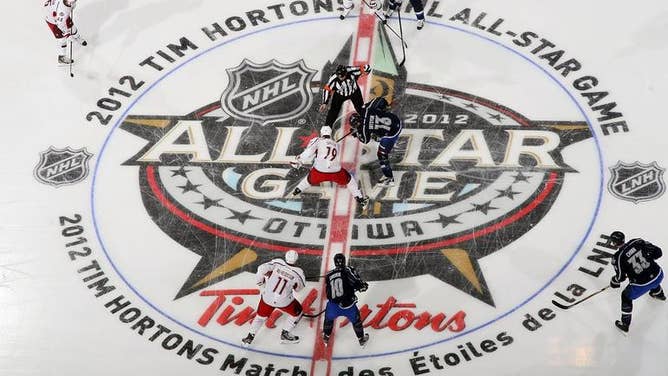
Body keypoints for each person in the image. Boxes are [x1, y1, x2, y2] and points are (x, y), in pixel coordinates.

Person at [290, 126, 370, 210]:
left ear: (321, 133)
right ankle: (361, 200)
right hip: (335, 171)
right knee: (350, 180)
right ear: (330, 133)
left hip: (319, 172)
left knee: (308, 179)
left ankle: (296, 191)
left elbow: (309, 152)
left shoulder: (317, 140)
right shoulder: (335, 144)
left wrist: (299, 161)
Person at [242, 250, 306, 345]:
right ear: (296, 259)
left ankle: (249, 337)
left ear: (286, 256)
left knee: (260, 317)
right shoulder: (299, 273)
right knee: (298, 312)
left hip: (267, 297)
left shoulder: (278, 262)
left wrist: (261, 282)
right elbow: (298, 289)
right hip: (284, 301)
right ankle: (285, 334)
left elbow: (261, 268)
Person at [609, 231, 665, 333]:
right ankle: (659, 294)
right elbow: (658, 252)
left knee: (625, 296)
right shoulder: (637, 242)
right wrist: (648, 260)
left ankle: (625, 324)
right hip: (659, 274)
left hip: (642, 284)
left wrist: (614, 281)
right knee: (651, 277)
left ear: (614, 243)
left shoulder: (618, 257)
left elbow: (620, 278)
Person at [349, 96, 402, 187]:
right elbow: (380, 100)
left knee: (381, 155)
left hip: (392, 133)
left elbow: (365, 140)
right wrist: (384, 107)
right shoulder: (366, 110)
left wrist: (357, 133)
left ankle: (389, 178)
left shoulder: (363, 130)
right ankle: (382, 133)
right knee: (376, 129)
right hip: (395, 119)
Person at [322, 253, 370, 347]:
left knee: (328, 319)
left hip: (333, 306)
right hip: (348, 306)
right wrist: (363, 286)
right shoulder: (347, 269)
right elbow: (356, 282)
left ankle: (326, 337)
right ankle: (361, 339)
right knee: (357, 322)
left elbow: (328, 292)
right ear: (344, 261)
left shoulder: (328, 275)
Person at [320, 64, 371, 129]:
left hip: (354, 92)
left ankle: (367, 121)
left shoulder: (352, 71)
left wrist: (366, 71)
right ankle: (326, 130)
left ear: (346, 73)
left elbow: (364, 68)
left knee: (360, 108)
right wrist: (325, 102)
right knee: (333, 112)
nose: (341, 78)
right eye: (339, 76)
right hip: (339, 95)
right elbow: (327, 89)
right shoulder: (333, 78)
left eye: (343, 76)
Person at [44, 0, 87, 64]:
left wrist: (72, 6)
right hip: (52, 20)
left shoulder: (67, 5)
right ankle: (62, 57)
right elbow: (60, 25)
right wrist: (68, 35)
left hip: (55, 11)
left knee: (72, 27)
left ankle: (77, 37)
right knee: (62, 39)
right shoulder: (62, 12)